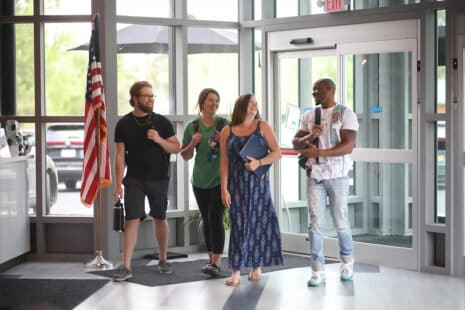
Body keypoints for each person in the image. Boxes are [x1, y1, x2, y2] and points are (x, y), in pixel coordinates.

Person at [112, 81, 181, 281]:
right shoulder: (123, 123)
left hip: (159, 178)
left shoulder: (162, 122)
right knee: (131, 219)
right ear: (135, 99)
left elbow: (176, 148)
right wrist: (118, 184)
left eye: (152, 96)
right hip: (133, 179)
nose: (151, 99)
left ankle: (163, 259)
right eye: (146, 96)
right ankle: (125, 266)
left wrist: (159, 140)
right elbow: (119, 156)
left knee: (160, 217)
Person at [293, 78, 358, 287]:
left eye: (317, 91)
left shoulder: (345, 114)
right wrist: (311, 136)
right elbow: (296, 143)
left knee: (340, 222)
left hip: (338, 176)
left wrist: (320, 151)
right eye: (312, 91)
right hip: (315, 176)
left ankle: (347, 262)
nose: (314, 94)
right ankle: (317, 269)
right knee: (315, 224)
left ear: (330, 89)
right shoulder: (310, 116)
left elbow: (348, 146)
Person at [220, 93, 283, 286]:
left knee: (257, 223)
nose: (255, 106)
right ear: (241, 107)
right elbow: (224, 162)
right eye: (251, 104)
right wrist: (224, 188)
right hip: (236, 184)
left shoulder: (262, 126)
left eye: (256, 103)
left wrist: (259, 163)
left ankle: (256, 266)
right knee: (238, 224)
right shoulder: (227, 131)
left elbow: (277, 153)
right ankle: (236, 270)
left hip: (258, 182)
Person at [180, 88, 229, 276]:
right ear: (202, 103)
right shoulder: (192, 127)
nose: (214, 104)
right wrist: (192, 143)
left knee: (215, 217)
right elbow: (185, 156)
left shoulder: (225, 125)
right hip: (199, 182)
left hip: (219, 181)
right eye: (211, 101)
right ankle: (211, 260)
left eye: (217, 101)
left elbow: (233, 150)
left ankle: (216, 261)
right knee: (207, 220)